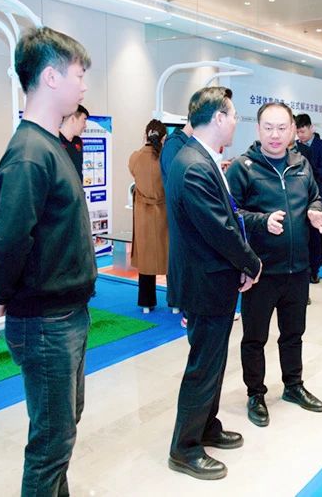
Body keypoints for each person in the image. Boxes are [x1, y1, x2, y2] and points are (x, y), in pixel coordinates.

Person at [0, 27, 96, 496]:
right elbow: (9, 242)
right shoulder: (30, 154)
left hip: (66, 316)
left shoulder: (51, 145)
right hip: (46, 323)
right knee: (51, 443)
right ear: (51, 77)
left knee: (62, 431)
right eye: (78, 75)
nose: (84, 86)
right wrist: (3, 291)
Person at [167, 86, 263, 481]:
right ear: (219, 118)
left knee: (213, 361)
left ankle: (207, 426)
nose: (237, 122)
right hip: (203, 283)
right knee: (203, 365)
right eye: (234, 115)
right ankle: (185, 447)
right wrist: (251, 262)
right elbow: (219, 228)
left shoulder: (201, 157)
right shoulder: (193, 165)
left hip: (212, 279)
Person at [226, 102, 322, 428]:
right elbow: (229, 214)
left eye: (282, 128)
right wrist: (261, 221)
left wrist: (314, 210)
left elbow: (315, 196)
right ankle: (255, 394)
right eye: (268, 128)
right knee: (254, 338)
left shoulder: (301, 164)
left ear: (292, 131)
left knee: (293, 334)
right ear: (258, 129)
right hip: (260, 271)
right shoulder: (243, 168)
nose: (275, 135)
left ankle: (293, 386)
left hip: (297, 269)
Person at [129, 119, 170, 314]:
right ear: (164, 137)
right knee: (169, 257)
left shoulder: (135, 158)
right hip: (165, 214)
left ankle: (146, 302)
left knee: (146, 260)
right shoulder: (167, 159)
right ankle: (175, 302)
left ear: (145, 135)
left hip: (143, 215)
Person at [295, 113, 322, 284]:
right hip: (298, 196)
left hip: (315, 195)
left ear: (311, 128)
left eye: (302, 131)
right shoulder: (295, 148)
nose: (300, 135)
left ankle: (315, 269)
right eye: (297, 132)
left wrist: (307, 169)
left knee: (315, 234)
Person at [59, 104, 88, 183]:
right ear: (73, 119)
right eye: (84, 121)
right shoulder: (54, 141)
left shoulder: (78, 141)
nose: (85, 126)